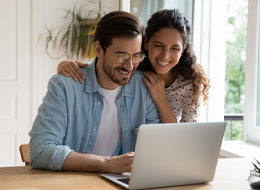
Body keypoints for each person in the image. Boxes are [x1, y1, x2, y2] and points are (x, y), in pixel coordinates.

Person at [29, 11, 161, 173]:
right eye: (121, 55)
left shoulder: (144, 87)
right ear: (98, 49)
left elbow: (157, 148)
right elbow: (40, 151)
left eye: (136, 56)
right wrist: (106, 163)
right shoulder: (65, 86)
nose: (129, 66)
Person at [57, 9, 210, 123]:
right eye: (158, 45)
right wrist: (67, 64)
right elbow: (105, 66)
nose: (165, 56)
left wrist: (161, 99)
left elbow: (182, 141)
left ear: (183, 50)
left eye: (174, 48)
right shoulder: (134, 67)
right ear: (146, 43)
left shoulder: (192, 84)